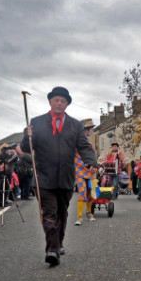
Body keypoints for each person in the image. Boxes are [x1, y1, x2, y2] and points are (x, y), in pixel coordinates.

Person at [20, 86, 96, 267]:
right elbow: (26, 148)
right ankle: (51, 249)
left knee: (62, 212)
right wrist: (26, 136)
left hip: (65, 177)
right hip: (43, 177)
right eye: (56, 100)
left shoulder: (75, 125)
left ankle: (58, 242)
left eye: (63, 101)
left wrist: (90, 161)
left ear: (67, 104)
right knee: (49, 213)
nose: (59, 103)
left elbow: (84, 146)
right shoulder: (36, 123)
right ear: (50, 101)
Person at [74, 118, 97, 226]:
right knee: (82, 193)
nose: (91, 131)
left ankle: (89, 213)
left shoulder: (90, 144)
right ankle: (79, 217)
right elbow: (76, 158)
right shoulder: (77, 143)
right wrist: (87, 165)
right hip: (80, 171)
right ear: (86, 130)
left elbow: (93, 158)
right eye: (90, 129)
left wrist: (95, 166)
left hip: (91, 172)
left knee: (91, 193)